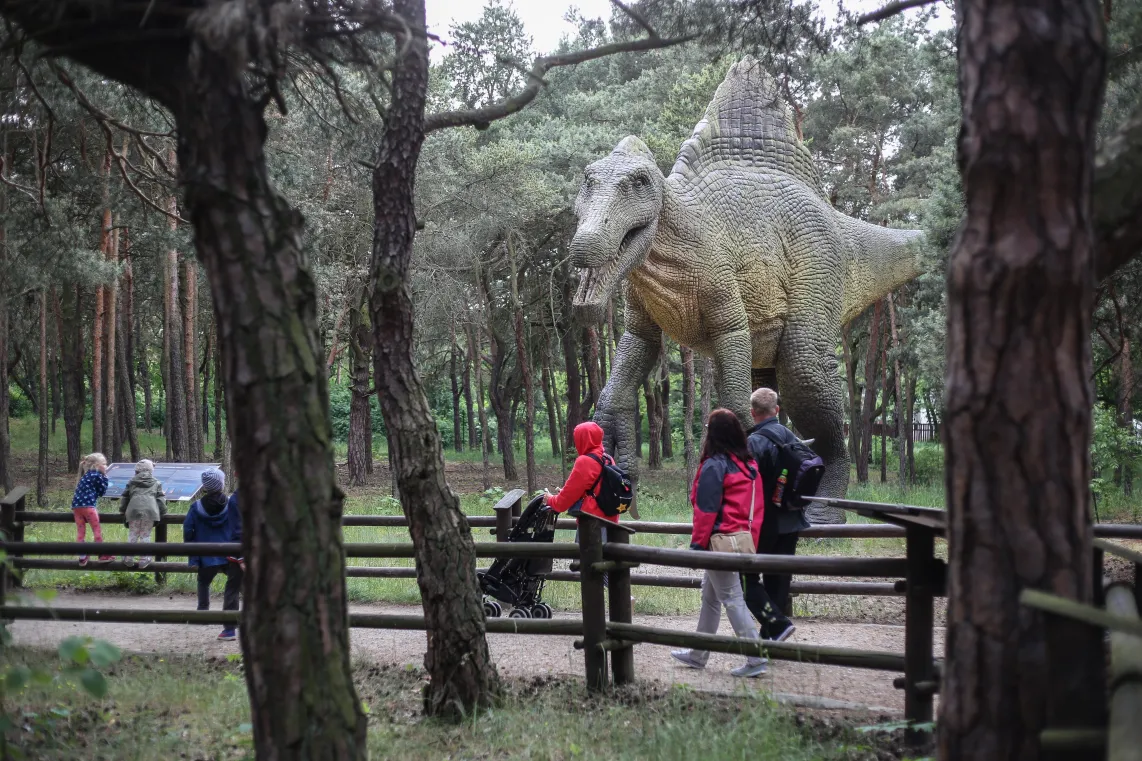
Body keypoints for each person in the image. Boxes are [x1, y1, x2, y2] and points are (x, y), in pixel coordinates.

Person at [670, 408, 767, 678]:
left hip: (718, 543)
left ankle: (755, 657)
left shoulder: (716, 464)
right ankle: (698, 654)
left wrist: (697, 546)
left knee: (732, 599)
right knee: (710, 598)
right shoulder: (749, 465)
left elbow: (706, 509)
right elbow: (756, 511)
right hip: (738, 542)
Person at [743, 387, 806, 642]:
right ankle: (771, 635)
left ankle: (775, 625)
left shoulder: (754, 442)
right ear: (777, 410)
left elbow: (746, 484)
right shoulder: (791, 436)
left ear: (752, 412)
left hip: (764, 522)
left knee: (744, 577)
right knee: (779, 578)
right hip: (792, 519)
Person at [542, 421, 619, 590]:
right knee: (605, 569)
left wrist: (549, 499)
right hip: (610, 522)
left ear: (582, 439)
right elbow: (596, 490)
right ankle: (621, 603)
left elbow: (562, 503)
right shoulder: (607, 458)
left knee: (592, 571)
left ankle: (601, 612)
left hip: (591, 525)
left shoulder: (585, 461)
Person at [184, 468, 243, 641]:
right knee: (237, 585)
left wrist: (192, 554)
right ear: (221, 483)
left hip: (206, 553)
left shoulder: (196, 507)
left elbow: (188, 529)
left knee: (204, 581)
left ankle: (203, 612)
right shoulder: (230, 503)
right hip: (229, 551)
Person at [118, 459, 167, 569]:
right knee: (145, 535)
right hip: (150, 512)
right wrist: (163, 511)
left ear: (136, 471)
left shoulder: (131, 482)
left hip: (133, 511)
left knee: (133, 534)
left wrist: (122, 510)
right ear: (151, 470)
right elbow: (160, 499)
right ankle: (144, 559)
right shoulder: (156, 482)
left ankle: (128, 558)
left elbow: (125, 497)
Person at [71, 453, 112, 567]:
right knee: (97, 531)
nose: (106, 466)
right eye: (104, 464)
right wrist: (106, 478)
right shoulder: (98, 475)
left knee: (80, 532)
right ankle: (102, 555)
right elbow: (102, 491)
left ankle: (82, 557)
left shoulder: (86, 475)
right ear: (97, 465)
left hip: (76, 507)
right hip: (89, 507)